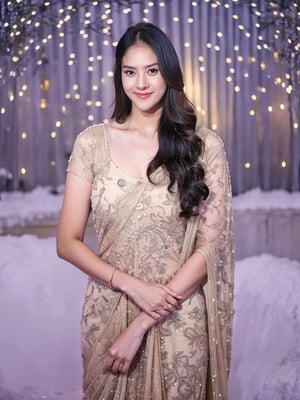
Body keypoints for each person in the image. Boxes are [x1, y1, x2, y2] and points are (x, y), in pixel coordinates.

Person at [57, 22, 235, 400]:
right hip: (107, 311)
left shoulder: (203, 146)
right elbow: (67, 242)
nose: (141, 82)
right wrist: (132, 286)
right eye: (130, 71)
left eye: (152, 70)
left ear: (168, 72)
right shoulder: (92, 143)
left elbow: (210, 247)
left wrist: (142, 322)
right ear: (119, 74)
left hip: (178, 315)